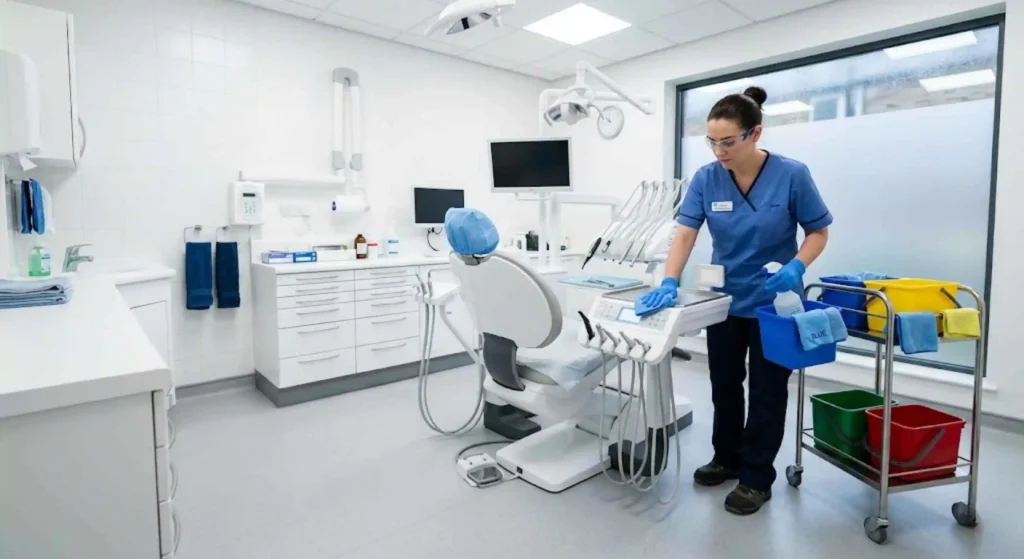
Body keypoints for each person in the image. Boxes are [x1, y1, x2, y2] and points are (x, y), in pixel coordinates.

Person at [637, 86, 832, 515]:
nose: (719, 150)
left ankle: (756, 477)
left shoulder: (791, 174)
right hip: (724, 303)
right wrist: (669, 280)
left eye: (728, 141)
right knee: (724, 384)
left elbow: (818, 232)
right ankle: (726, 458)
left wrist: (797, 267)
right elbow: (686, 232)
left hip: (774, 305)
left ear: (755, 133)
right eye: (712, 141)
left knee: (767, 391)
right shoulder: (707, 179)